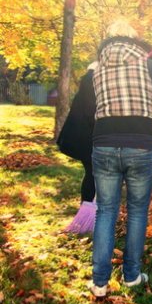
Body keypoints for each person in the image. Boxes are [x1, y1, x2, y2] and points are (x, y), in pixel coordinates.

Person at [90, 19, 152, 298]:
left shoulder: (96, 68)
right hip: (140, 144)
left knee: (106, 210)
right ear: (133, 39)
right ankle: (131, 276)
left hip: (104, 144)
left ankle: (100, 282)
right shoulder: (147, 63)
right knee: (137, 211)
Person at [57, 61, 97, 234]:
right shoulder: (93, 82)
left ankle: (88, 211)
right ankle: (88, 214)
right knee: (93, 173)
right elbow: (92, 112)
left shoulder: (88, 80)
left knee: (92, 174)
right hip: (87, 136)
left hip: (82, 135)